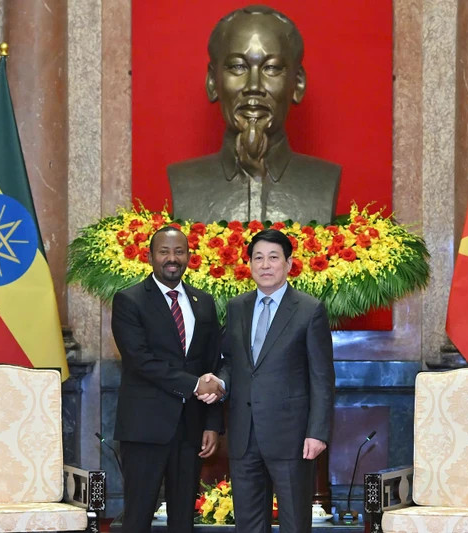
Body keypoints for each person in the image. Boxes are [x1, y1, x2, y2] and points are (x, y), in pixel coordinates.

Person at [168, 5, 341, 224]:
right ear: (213, 82)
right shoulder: (184, 181)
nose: (254, 86)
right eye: (238, 67)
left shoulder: (323, 181)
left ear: (297, 83)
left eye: (272, 68)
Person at [217, 229, 335, 533]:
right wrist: (219, 384)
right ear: (250, 264)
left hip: (292, 437)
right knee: (249, 524)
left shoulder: (309, 311)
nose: (265, 265)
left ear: (288, 263)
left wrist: (317, 432)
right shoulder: (236, 307)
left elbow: (321, 377)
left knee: (295, 523)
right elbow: (231, 362)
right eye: (258, 258)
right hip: (244, 434)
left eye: (273, 257)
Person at [111, 226, 225, 533]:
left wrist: (212, 424)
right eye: (164, 252)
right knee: (138, 515)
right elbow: (140, 360)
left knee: (184, 518)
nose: (172, 259)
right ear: (149, 257)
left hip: (191, 428)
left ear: (189, 257)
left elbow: (212, 364)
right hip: (145, 428)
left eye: (179, 252)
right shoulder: (129, 301)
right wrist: (193, 384)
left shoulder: (204, 302)